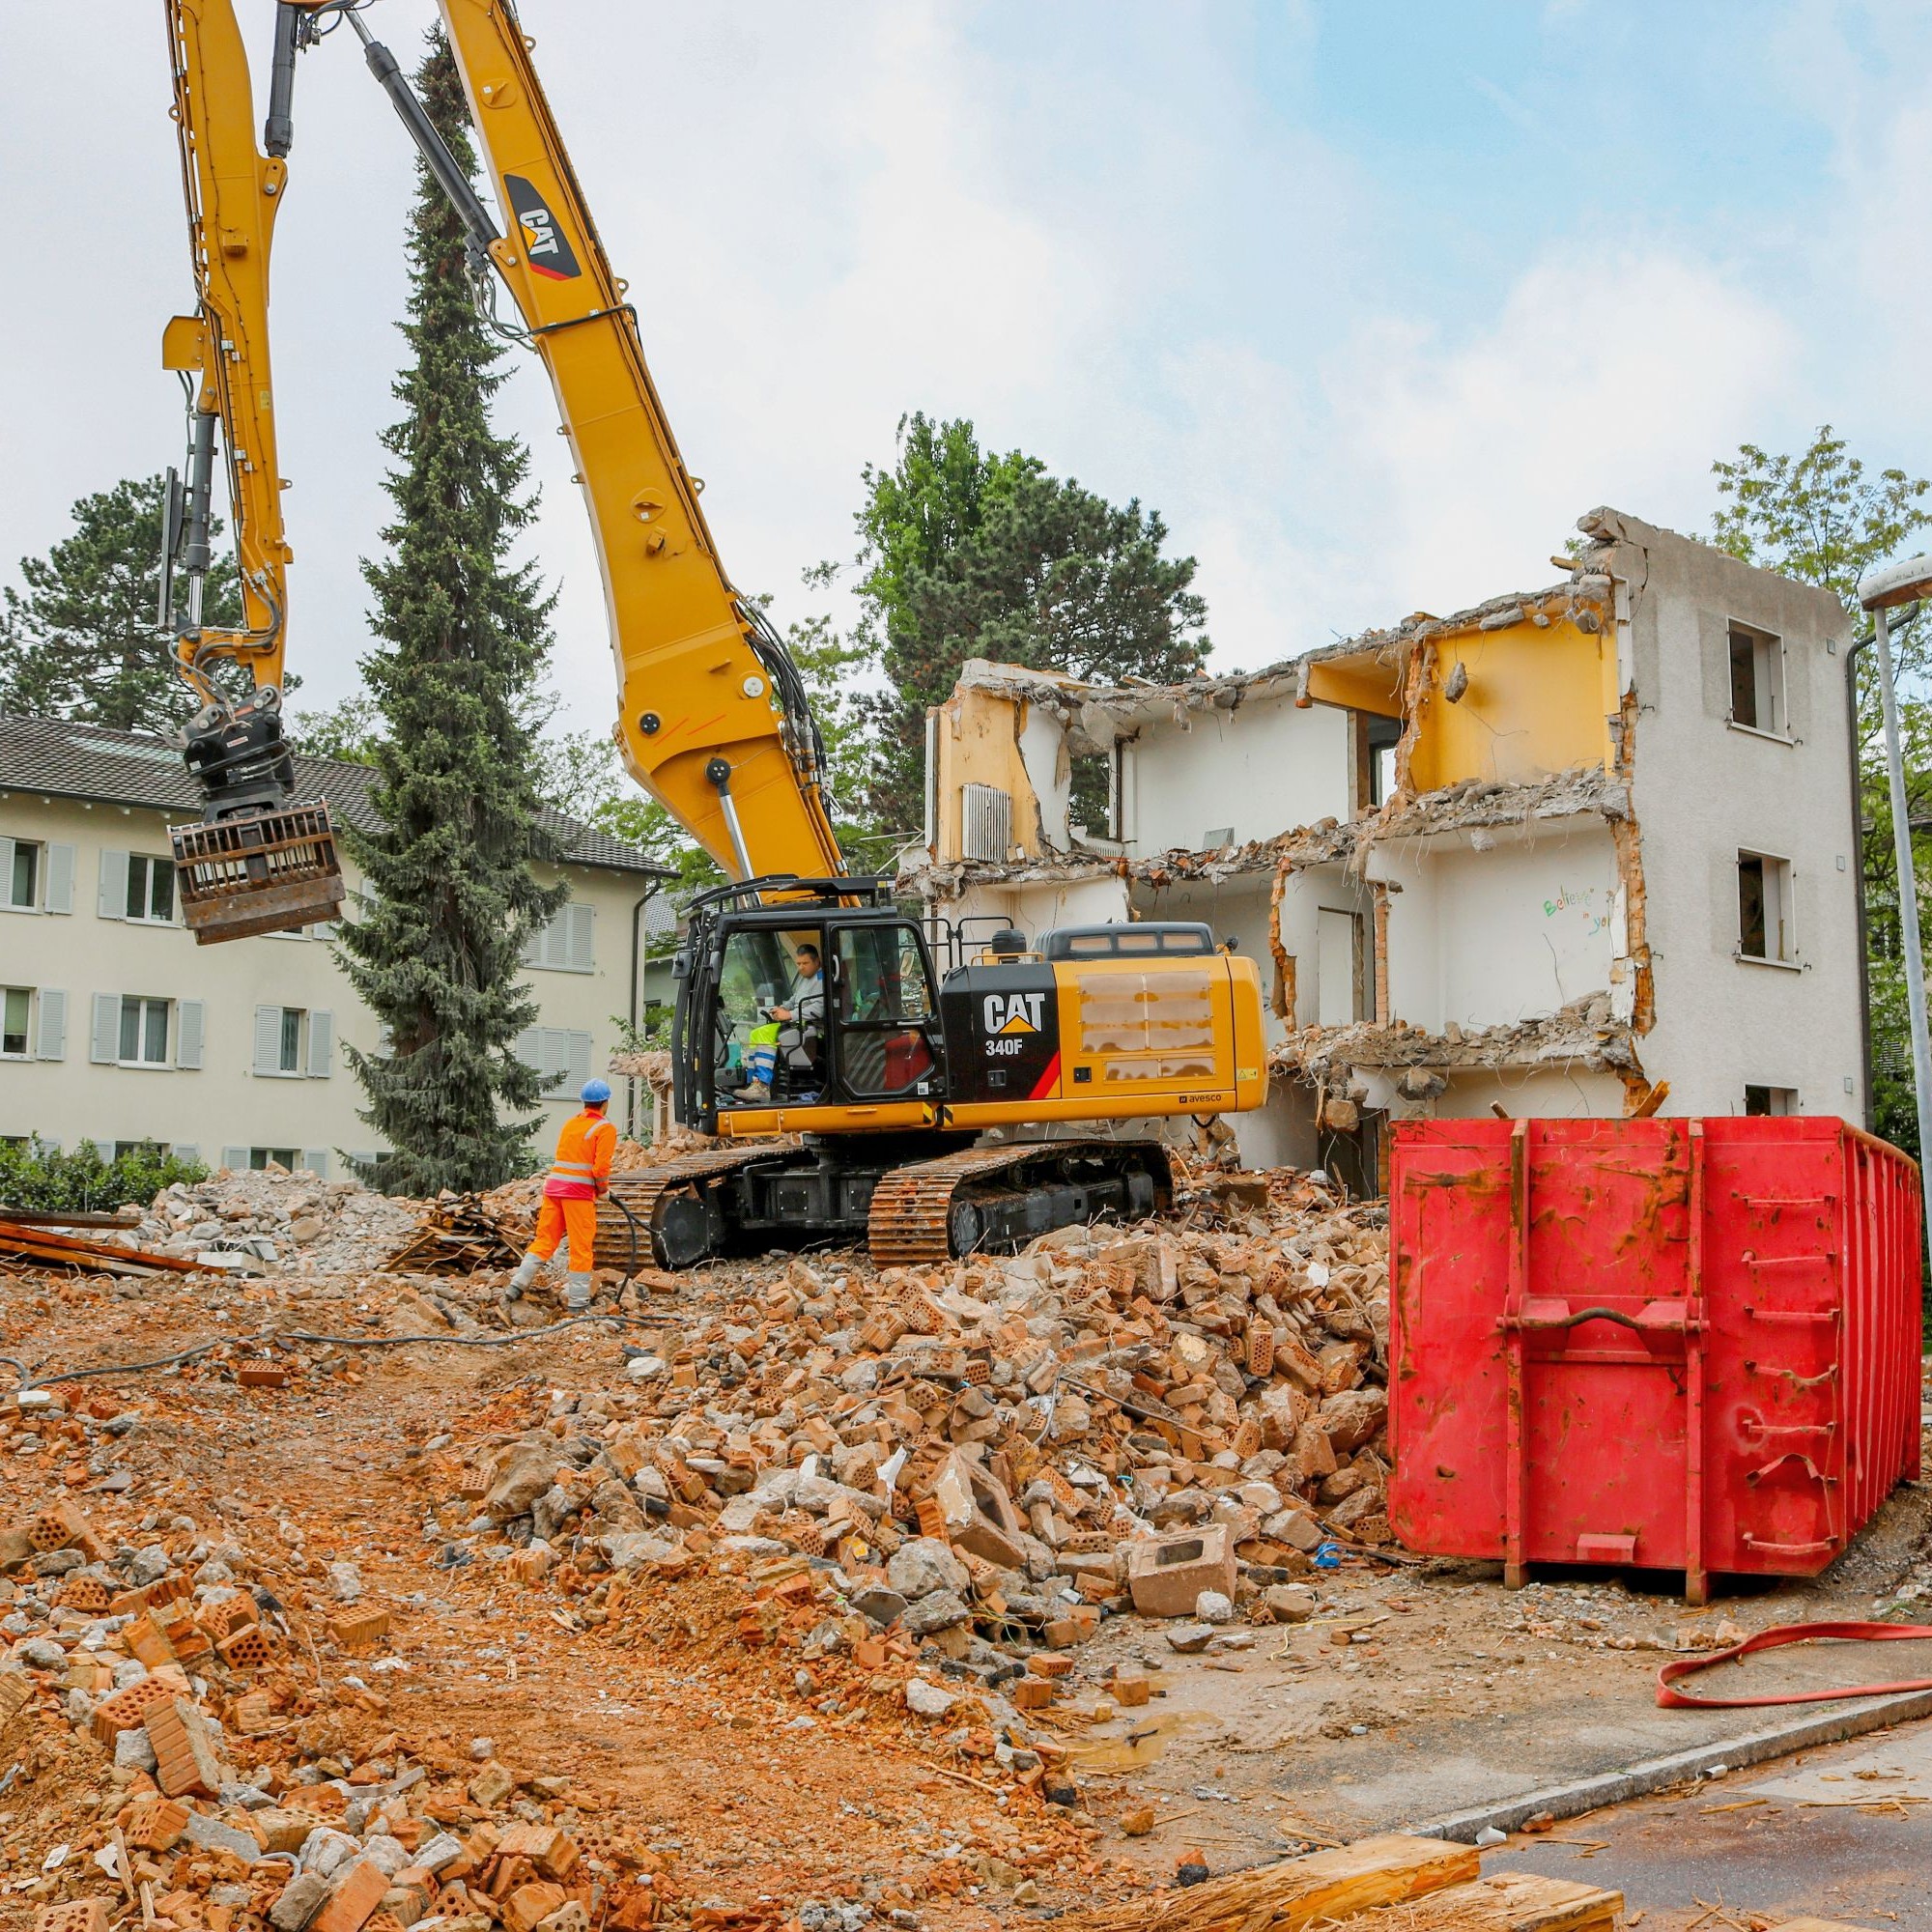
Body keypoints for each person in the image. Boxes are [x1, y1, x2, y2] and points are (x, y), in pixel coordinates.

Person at [509, 1078, 618, 1310]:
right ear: (605, 1103)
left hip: (553, 1189)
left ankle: (517, 1283)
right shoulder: (604, 1128)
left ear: (584, 1102)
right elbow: (600, 1169)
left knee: (545, 1239)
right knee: (581, 1246)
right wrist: (603, 1191)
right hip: (577, 1194)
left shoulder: (571, 1124)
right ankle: (578, 1303)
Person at [733, 942, 824, 1103]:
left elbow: (819, 1009)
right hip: (797, 1021)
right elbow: (794, 1000)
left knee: (764, 1034)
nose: (801, 967)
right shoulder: (806, 979)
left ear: (817, 962)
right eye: (798, 964)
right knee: (755, 1033)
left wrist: (789, 1015)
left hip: (808, 1025)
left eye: (805, 963)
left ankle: (762, 1085)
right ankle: (753, 1082)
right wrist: (781, 1008)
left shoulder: (821, 980)